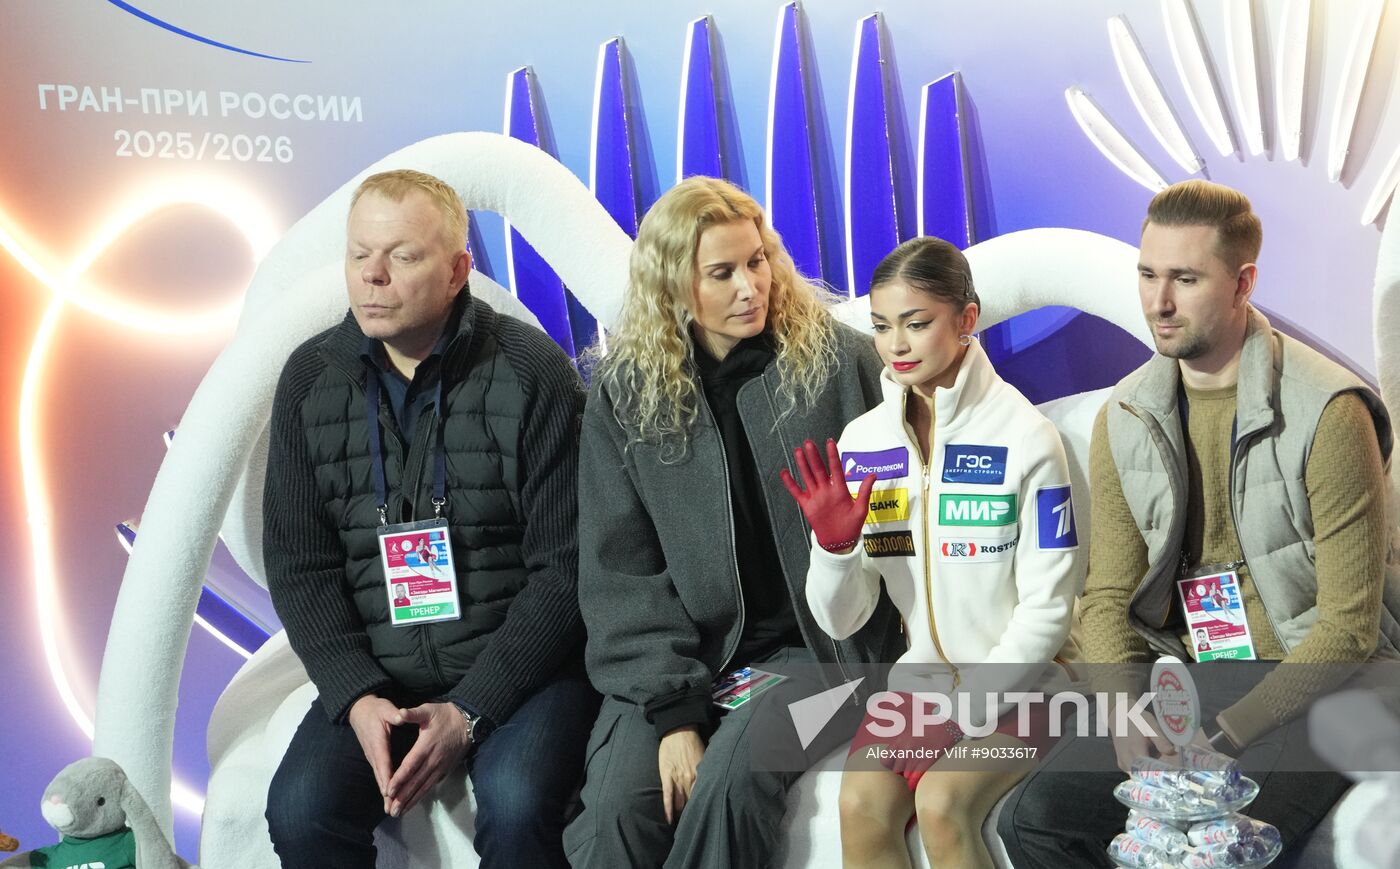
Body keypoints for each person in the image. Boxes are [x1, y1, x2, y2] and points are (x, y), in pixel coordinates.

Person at [998, 179, 1398, 867]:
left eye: (1185, 278)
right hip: (1189, 674)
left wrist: (1227, 732)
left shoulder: (1330, 411)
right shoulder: (1125, 414)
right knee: (1037, 818)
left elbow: (1347, 627)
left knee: (1217, 845)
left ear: (1243, 283)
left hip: (1322, 680)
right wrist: (1125, 717)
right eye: (1149, 275)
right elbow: (1107, 599)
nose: (1158, 301)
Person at [262, 169, 597, 869]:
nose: (372, 277)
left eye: (402, 256)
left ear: (456, 271)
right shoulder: (309, 379)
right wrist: (355, 695)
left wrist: (471, 708)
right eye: (359, 255)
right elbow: (301, 565)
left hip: (523, 669)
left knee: (518, 798)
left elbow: (565, 568)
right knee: (301, 809)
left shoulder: (530, 368)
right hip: (380, 672)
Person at [565, 176, 904, 868]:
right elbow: (621, 573)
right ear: (672, 285)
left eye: (758, 261)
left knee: (730, 782)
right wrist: (674, 712)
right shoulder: (625, 395)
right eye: (723, 273)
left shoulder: (842, 363)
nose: (752, 286)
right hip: (684, 664)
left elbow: (897, 525)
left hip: (832, 667)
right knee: (615, 813)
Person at [781, 236, 1082, 868]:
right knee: (859, 804)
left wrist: (965, 709)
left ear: (966, 319)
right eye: (882, 326)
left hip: (1027, 688)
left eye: (917, 324)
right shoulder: (865, 444)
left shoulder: (1028, 438)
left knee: (944, 804)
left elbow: (1050, 608)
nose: (897, 345)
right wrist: (835, 550)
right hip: (917, 691)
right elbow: (843, 619)